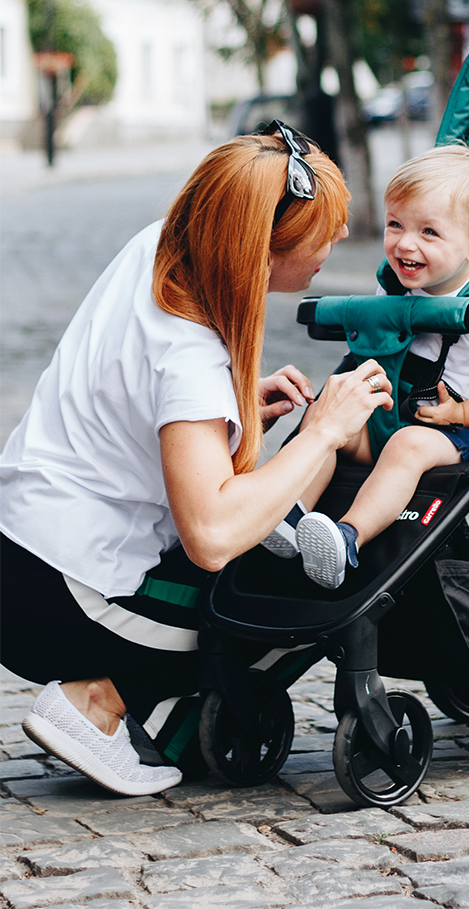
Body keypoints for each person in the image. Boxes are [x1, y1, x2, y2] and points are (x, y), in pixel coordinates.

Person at [0, 125, 393, 796]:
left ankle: (145, 708)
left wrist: (233, 410)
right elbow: (210, 536)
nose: (334, 242)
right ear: (261, 251)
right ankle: (100, 702)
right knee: (293, 593)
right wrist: (321, 433)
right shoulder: (191, 354)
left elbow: (143, 397)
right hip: (67, 597)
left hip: (22, 552)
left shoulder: (159, 247)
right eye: (320, 233)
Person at [265, 144, 469, 590]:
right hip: (392, 418)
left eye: (429, 232)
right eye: (395, 224)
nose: (405, 243)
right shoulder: (394, 286)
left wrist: (461, 414)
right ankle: (287, 514)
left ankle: (346, 537)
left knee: (408, 446)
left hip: (458, 434)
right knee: (328, 417)